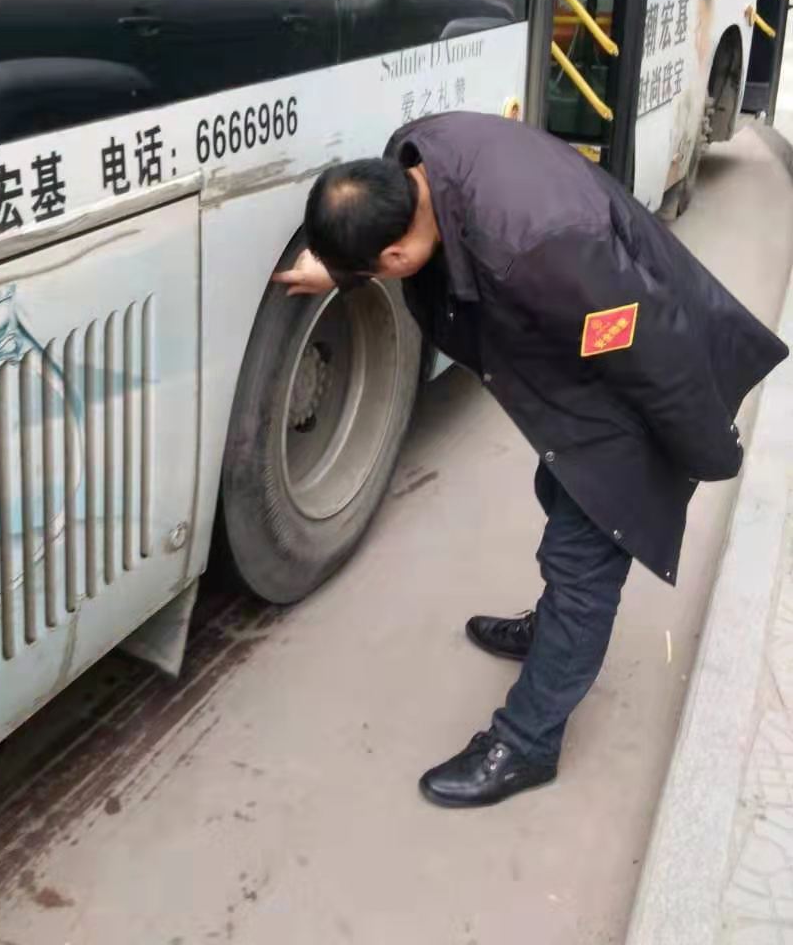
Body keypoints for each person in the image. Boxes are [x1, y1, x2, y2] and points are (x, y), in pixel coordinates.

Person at [273, 111, 787, 808]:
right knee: (558, 488)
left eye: (369, 270)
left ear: (392, 260)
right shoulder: (415, 156)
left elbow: (646, 341)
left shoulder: (541, 246)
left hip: (628, 389)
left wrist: (703, 443)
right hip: (576, 372)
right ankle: (551, 630)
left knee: (586, 558)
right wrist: (338, 266)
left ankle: (527, 744)